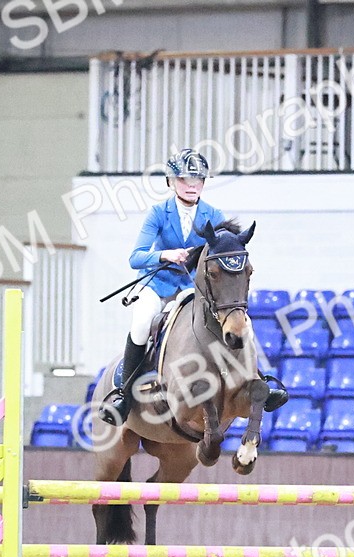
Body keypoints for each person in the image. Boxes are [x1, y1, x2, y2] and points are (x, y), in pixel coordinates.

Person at [101, 148, 288, 425]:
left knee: (238, 320)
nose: (191, 186)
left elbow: (226, 253)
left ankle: (258, 378)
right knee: (141, 322)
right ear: (171, 182)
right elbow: (136, 257)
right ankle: (123, 396)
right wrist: (166, 254)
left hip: (193, 288)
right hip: (159, 285)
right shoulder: (158, 214)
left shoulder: (213, 214)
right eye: (185, 180)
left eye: (197, 180)